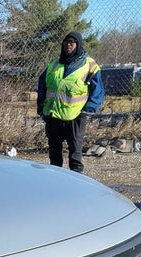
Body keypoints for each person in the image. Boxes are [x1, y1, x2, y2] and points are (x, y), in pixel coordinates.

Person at [37, 32, 104, 173]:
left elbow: (98, 90)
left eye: (73, 42)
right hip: (53, 114)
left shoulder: (89, 65)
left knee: (75, 153)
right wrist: (41, 107)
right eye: (67, 42)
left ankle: (76, 183)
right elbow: (42, 84)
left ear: (78, 45)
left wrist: (89, 109)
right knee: (54, 153)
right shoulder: (54, 65)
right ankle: (56, 181)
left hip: (75, 116)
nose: (69, 45)